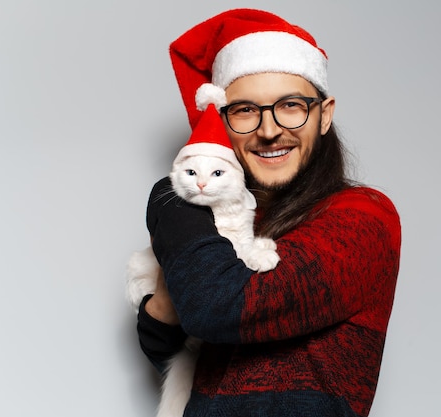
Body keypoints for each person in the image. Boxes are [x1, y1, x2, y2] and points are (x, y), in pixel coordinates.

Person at [136, 8, 401, 417]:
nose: (269, 129)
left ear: (324, 114)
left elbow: (215, 308)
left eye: (291, 105)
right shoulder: (229, 221)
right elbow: (164, 344)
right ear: (222, 123)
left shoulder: (365, 218)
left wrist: (169, 194)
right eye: (244, 110)